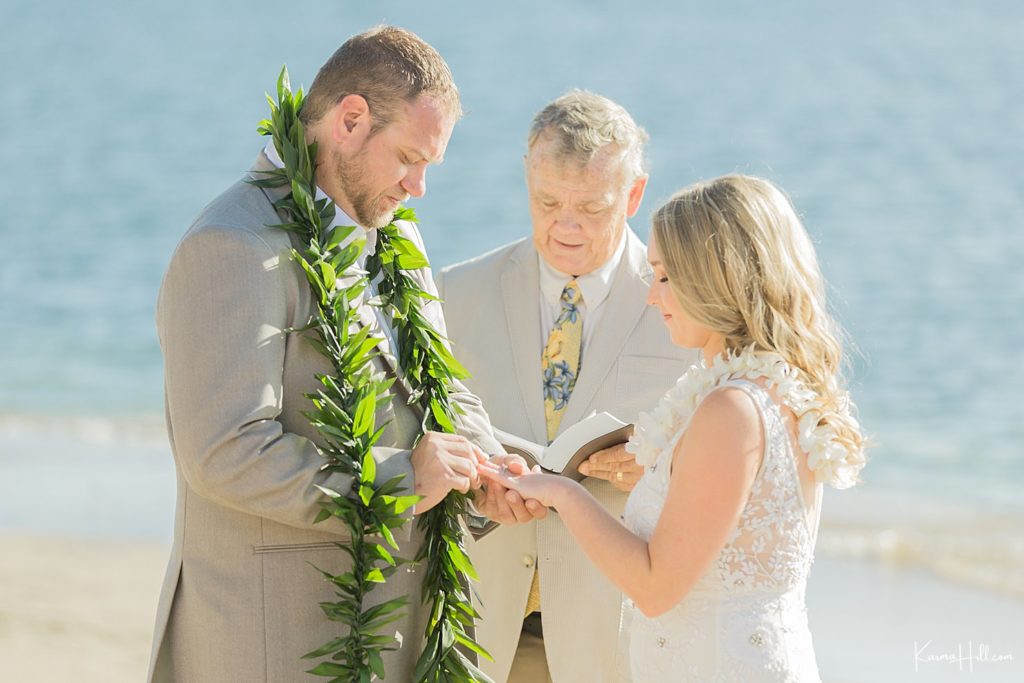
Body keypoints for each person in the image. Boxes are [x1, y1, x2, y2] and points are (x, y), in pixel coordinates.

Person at [148, 26, 538, 682]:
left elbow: (436, 387)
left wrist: (483, 468)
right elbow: (224, 451)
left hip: (400, 631)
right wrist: (404, 478)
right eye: (409, 158)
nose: (418, 187)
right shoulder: (233, 248)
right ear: (350, 120)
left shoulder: (392, 232)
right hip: (275, 643)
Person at [481, 174, 867, 682]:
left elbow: (656, 587)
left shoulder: (732, 408)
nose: (650, 297)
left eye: (664, 277)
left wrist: (561, 492)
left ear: (716, 279)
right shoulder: (772, 390)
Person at [436, 91, 695, 682]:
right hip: (481, 629)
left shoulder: (685, 306)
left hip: (615, 636)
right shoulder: (455, 292)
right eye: (547, 202)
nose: (565, 227)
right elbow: (427, 431)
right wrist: (475, 479)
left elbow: (729, 457)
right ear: (527, 178)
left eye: (592, 208)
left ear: (633, 195)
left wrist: (661, 465)